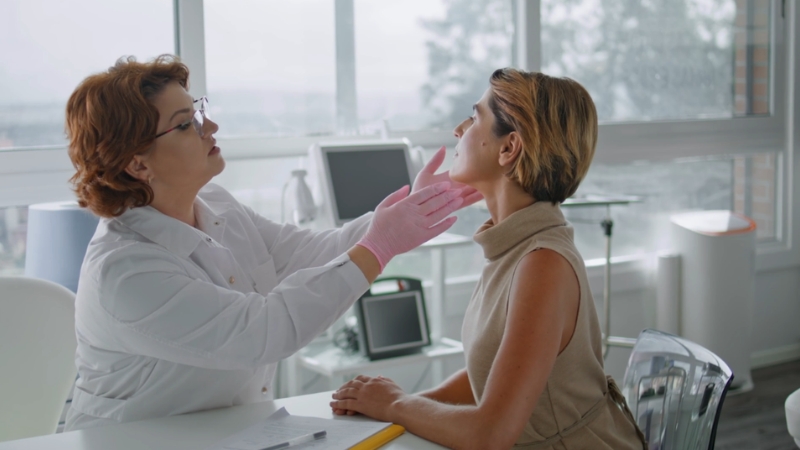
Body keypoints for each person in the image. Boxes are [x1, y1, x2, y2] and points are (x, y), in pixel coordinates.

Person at [62, 54, 481, 431]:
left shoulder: (214, 203)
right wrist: (381, 246)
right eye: (186, 123)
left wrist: (408, 211)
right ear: (137, 163)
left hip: (231, 431)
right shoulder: (125, 271)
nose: (211, 127)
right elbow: (263, 331)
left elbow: (307, 253)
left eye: (199, 111)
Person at [330, 68, 647, 450]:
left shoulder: (541, 263)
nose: (459, 129)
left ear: (509, 148)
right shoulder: (514, 243)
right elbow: (497, 369)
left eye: (475, 116)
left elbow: (490, 434)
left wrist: (397, 404)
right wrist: (409, 403)